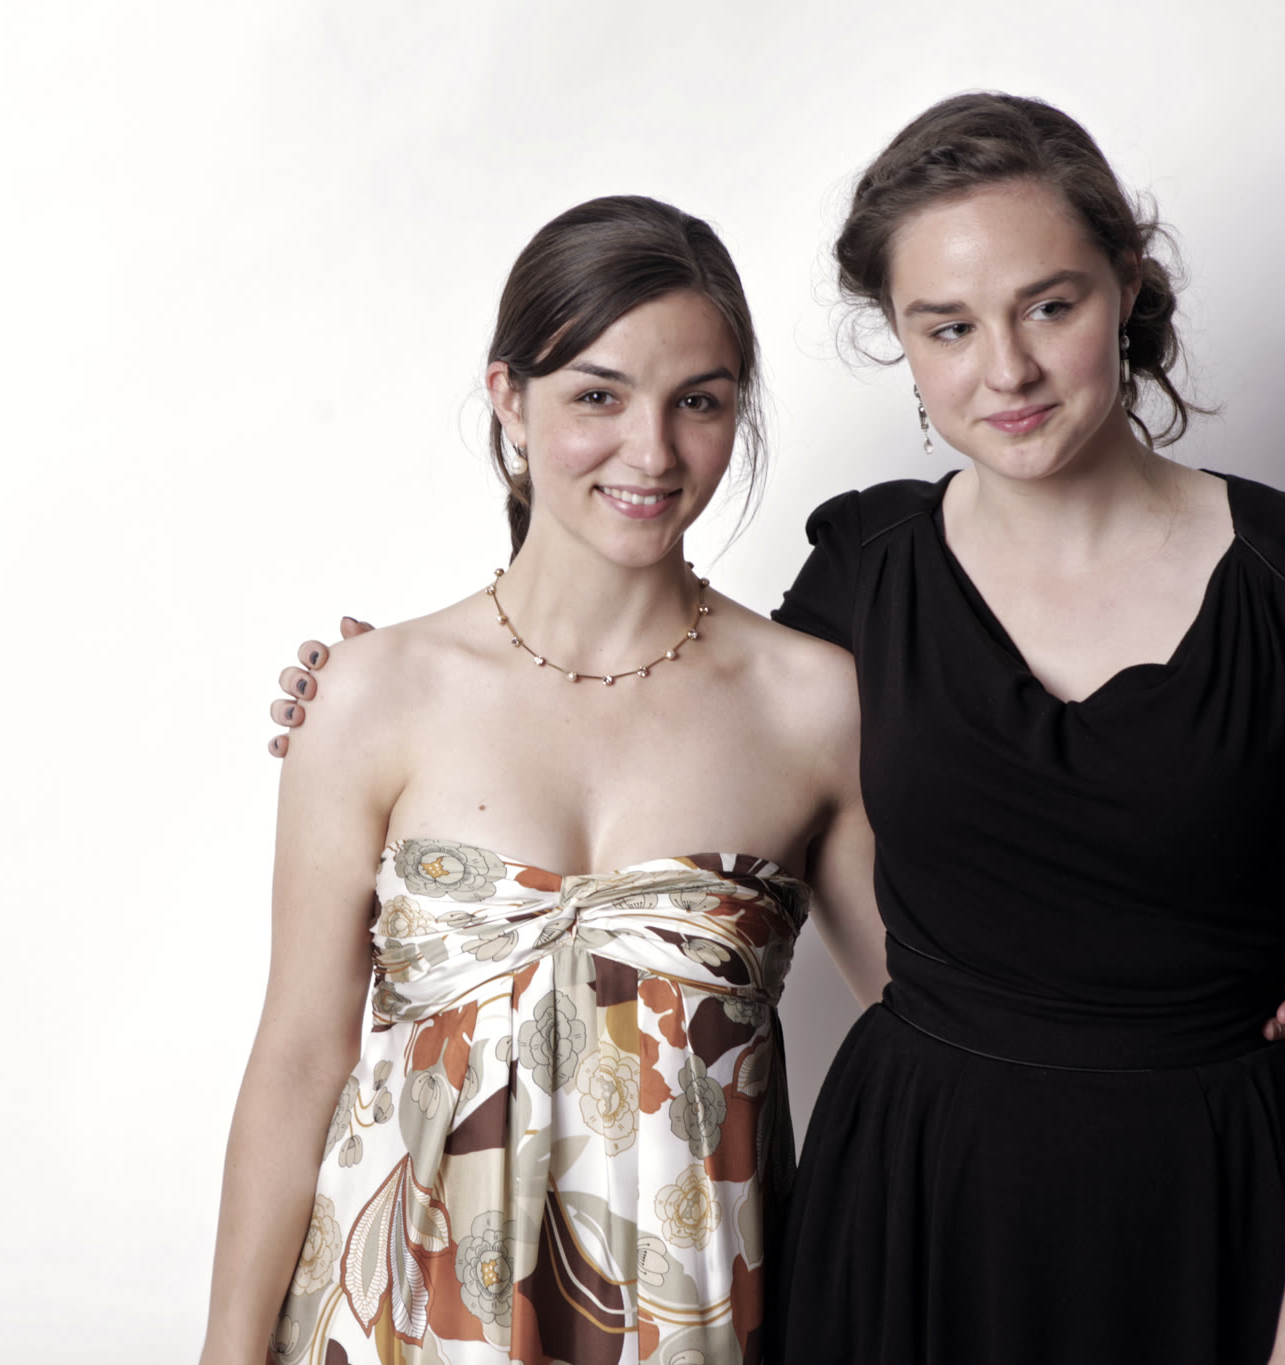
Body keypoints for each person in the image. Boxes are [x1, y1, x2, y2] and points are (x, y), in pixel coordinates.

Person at [270, 92, 1285, 1365]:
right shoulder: (862, 582)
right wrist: (383, 691)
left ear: (1127, 291)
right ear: (902, 343)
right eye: (948, 325)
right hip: (912, 1222)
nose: (1006, 368)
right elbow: (679, 708)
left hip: (1215, 1203)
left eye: (1050, 306)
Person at [199, 194, 889, 1365]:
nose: (651, 453)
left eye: (699, 402)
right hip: (392, 1321)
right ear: (508, 400)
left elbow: (927, 1032)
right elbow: (298, 1055)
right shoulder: (371, 693)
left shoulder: (812, 703)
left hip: (694, 1325)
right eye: (597, 397)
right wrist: (225, 1349)